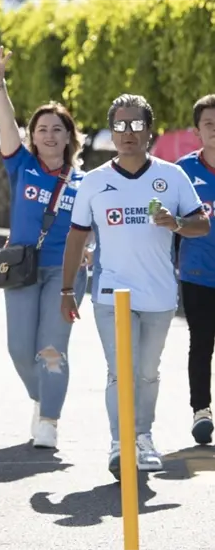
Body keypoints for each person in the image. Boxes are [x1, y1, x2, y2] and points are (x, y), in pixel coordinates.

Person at [61, 94, 210, 478]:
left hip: (159, 294)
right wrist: (66, 290)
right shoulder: (94, 182)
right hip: (112, 293)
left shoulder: (172, 177)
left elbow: (202, 225)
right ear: (111, 132)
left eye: (137, 125)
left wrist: (175, 223)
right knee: (119, 371)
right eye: (121, 126)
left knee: (146, 372)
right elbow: (76, 238)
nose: (129, 133)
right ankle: (120, 442)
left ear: (150, 130)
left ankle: (143, 437)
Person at [0, 46, 90, 449]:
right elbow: (5, 120)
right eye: (42, 129)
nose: (49, 135)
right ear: (33, 136)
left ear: (70, 137)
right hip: (22, 268)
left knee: (51, 348)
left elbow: (91, 225)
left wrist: (91, 247)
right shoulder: (21, 165)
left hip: (65, 273)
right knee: (17, 349)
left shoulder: (83, 182)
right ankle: (43, 395)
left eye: (57, 129)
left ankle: (49, 419)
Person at [176, 93, 215, 444]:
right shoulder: (182, 172)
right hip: (198, 274)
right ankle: (201, 410)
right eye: (209, 125)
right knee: (202, 342)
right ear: (197, 131)